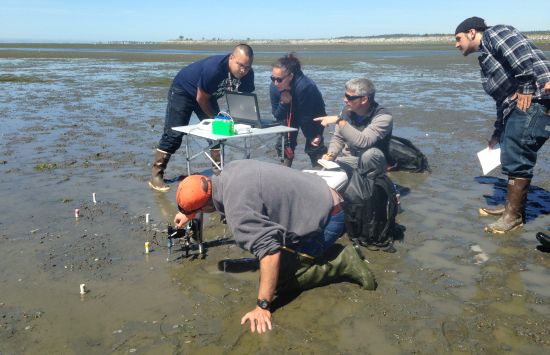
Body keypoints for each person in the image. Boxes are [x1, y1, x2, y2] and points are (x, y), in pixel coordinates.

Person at [173, 160, 376, 334]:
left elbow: (270, 253)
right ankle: (316, 252)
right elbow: (206, 197)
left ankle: (344, 261)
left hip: (330, 218)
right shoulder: (230, 171)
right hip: (322, 193)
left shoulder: (239, 214)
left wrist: (263, 305)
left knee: (280, 283)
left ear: (206, 208)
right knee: (272, 256)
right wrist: (187, 210)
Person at [454, 17, 550, 234]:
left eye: (458, 38)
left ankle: (513, 216)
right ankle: (511, 210)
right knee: (510, 151)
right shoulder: (486, 57)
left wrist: (526, 87)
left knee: (518, 156)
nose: (456, 44)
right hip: (520, 104)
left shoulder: (495, 33)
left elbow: (521, 53)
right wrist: (498, 132)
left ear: (471, 32)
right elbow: (502, 99)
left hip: (537, 97)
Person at [149, 44, 255, 192]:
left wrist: (246, 119)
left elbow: (244, 99)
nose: (243, 70)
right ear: (231, 58)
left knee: (218, 134)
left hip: (206, 95)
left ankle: (218, 173)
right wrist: (215, 118)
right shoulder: (215, 69)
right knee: (174, 135)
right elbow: (200, 98)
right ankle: (156, 175)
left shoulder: (248, 74)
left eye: (247, 67)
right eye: (240, 65)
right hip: (183, 91)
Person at [314, 78, 393, 178]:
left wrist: (339, 121)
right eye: (345, 95)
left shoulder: (383, 117)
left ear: (364, 99)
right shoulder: (347, 111)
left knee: (370, 154)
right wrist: (331, 155)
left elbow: (364, 141)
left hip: (374, 162)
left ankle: (372, 185)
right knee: (324, 170)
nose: (345, 99)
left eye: (349, 97)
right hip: (351, 159)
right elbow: (338, 137)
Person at [269, 53, 327, 167]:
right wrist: (283, 103)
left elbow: (306, 118)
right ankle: (283, 175)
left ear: (290, 76)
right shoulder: (274, 87)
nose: (275, 83)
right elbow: (277, 115)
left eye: (279, 79)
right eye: (273, 78)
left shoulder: (305, 86)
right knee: (284, 146)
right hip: (289, 113)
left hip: (312, 114)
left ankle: (322, 174)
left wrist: (317, 134)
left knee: (314, 146)